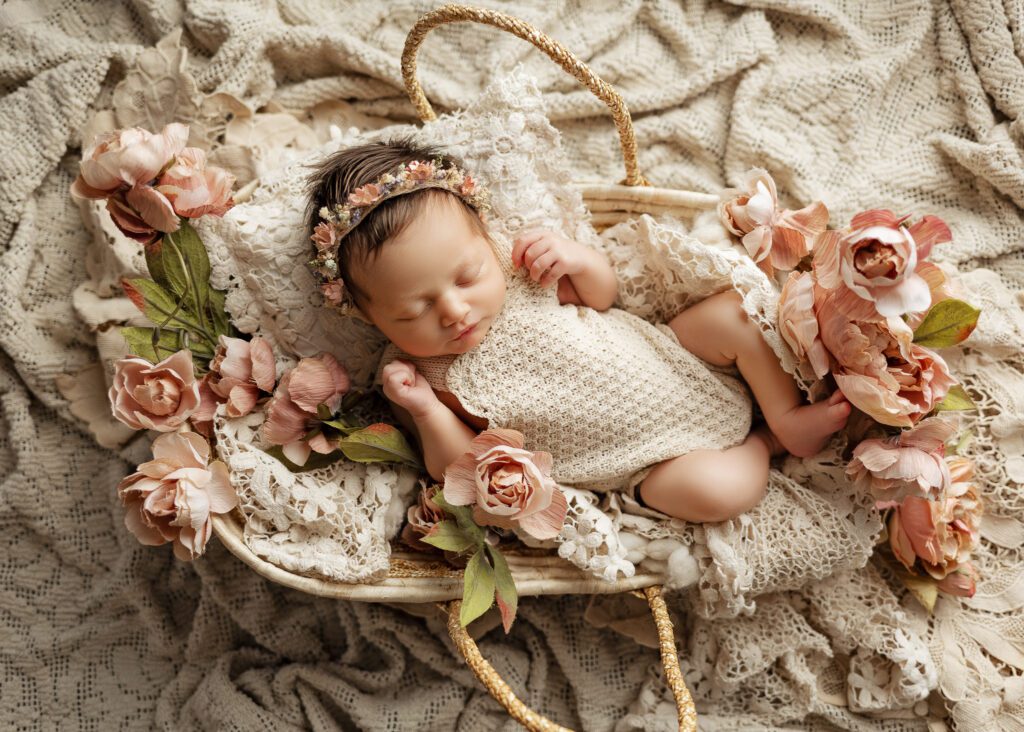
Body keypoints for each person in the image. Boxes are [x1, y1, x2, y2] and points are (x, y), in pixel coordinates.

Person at [304, 136, 850, 523]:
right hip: (650, 461)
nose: (452, 310)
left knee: (733, 313)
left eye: (467, 276)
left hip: (676, 356)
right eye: (411, 311)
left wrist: (576, 259)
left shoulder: (518, 267)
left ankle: (786, 414)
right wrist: (424, 410)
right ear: (370, 318)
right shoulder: (413, 377)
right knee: (714, 493)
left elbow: (603, 296)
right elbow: (459, 465)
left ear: (485, 240)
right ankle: (767, 442)